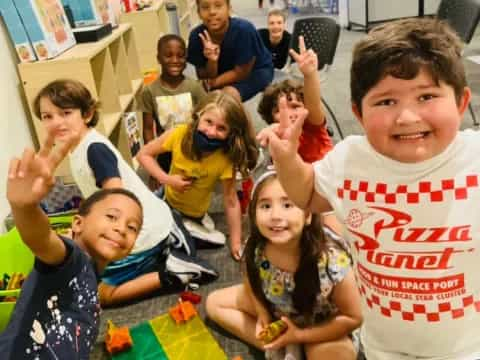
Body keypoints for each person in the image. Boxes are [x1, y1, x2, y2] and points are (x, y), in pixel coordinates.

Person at [262, 18, 480, 360]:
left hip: (465, 349)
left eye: (427, 96)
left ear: (461, 102)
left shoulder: (475, 160)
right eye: (385, 102)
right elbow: (306, 194)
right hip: (382, 345)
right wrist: (287, 158)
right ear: (358, 115)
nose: (407, 117)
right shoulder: (351, 159)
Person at [33, 79, 218, 307]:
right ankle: (176, 235)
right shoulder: (78, 147)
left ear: (87, 114)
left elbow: (116, 199)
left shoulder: (94, 149)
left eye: (65, 113)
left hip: (142, 232)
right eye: (47, 116)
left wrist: (91, 239)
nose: (56, 122)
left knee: (100, 294)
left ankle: (172, 271)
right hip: (148, 216)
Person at [0, 132, 142, 359]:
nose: (122, 228)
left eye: (132, 227)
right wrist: (24, 208)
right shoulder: (71, 258)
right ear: (77, 223)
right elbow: (41, 238)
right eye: (112, 217)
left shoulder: (94, 275)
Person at [206, 170, 362, 360]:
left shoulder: (332, 260)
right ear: (254, 214)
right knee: (214, 303)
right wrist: (262, 313)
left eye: (287, 205)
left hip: (321, 324)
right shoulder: (256, 247)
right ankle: (285, 346)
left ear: (307, 215)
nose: (275, 215)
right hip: (277, 310)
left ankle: (291, 344)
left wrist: (301, 335)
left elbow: (353, 317)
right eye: (265, 206)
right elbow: (250, 275)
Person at [137, 90, 259, 260]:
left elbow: (230, 199)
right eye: (208, 122)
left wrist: (236, 243)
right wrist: (167, 179)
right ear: (198, 116)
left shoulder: (225, 158)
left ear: (231, 133)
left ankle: (182, 228)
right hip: (167, 200)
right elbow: (143, 154)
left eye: (221, 128)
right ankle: (175, 228)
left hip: (197, 213)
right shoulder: (179, 134)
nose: (211, 132)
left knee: (219, 239)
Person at [187, 0, 274, 103]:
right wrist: (212, 61)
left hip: (255, 70)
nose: (212, 12)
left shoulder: (244, 30)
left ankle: (239, 117)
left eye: (218, 6)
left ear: (229, 9)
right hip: (221, 73)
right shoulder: (196, 36)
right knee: (198, 97)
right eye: (205, 7)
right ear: (198, 13)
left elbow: (242, 73)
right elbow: (204, 76)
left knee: (227, 97)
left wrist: (212, 83)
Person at [140, 34, 206, 146]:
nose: (175, 60)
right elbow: (148, 129)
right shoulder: (149, 91)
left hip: (193, 146)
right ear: (159, 58)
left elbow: (207, 117)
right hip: (165, 149)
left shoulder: (194, 87)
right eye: (168, 55)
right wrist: (149, 153)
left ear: (186, 58)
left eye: (180, 56)